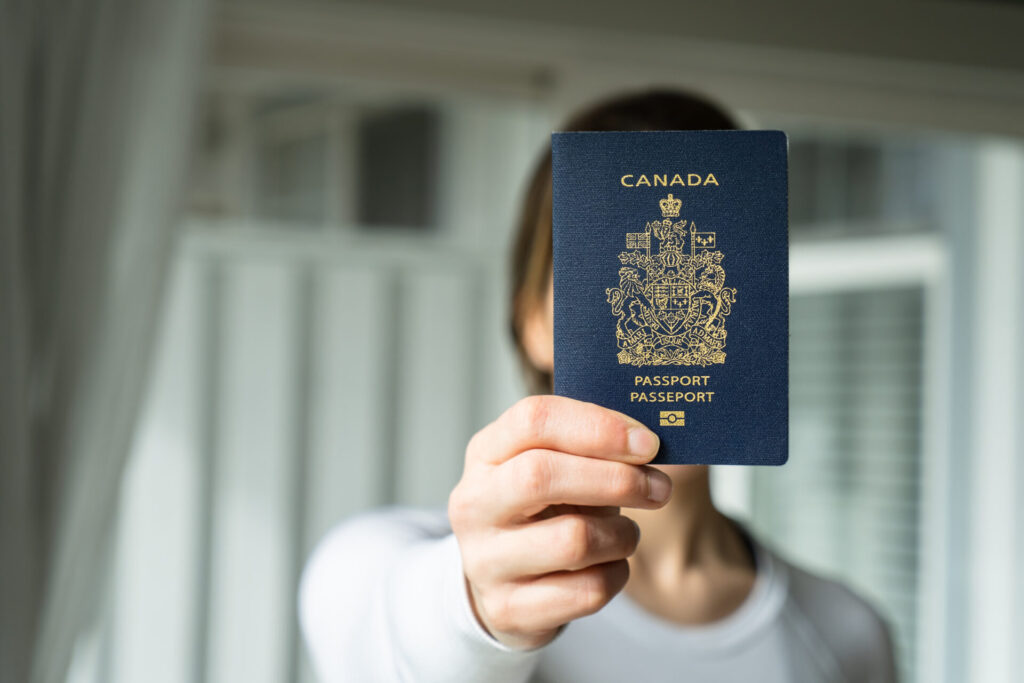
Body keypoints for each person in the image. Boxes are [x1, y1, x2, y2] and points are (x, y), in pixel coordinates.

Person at [298, 89, 899, 683]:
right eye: (600, 267)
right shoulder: (378, 566)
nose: (675, 306)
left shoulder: (847, 632)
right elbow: (387, 633)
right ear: (531, 320)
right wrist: (477, 611)